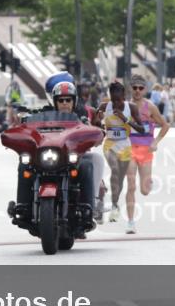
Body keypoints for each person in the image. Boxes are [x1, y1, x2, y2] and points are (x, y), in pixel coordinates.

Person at [12, 79, 102, 238]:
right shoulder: (43, 116)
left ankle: (87, 208)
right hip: (48, 159)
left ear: (74, 102)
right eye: (61, 100)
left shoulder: (81, 119)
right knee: (24, 165)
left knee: (87, 165)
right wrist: (22, 125)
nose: (65, 103)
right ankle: (23, 207)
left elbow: (96, 134)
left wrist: (94, 132)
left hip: (70, 160)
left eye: (68, 100)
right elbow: (28, 129)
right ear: (55, 102)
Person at [98, 81, 145, 234]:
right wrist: (98, 119)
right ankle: (112, 204)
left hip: (125, 146)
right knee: (116, 172)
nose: (116, 103)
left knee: (127, 182)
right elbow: (95, 122)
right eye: (113, 99)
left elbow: (142, 129)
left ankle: (127, 218)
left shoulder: (131, 107)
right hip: (110, 146)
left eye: (118, 100)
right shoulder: (105, 106)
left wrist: (125, 120)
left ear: (124, 97)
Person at [125, 74, 170, 231]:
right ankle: (130, 222)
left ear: (144, 90)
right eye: (134, 88)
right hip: (129, 150)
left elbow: (165, 125)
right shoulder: (125, 107)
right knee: (131, 186)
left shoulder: (150, 107)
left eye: (140, 88)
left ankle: (149, 182)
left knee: (144, 191)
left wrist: (155, 142)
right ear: (130, 88)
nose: (137, 91)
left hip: (146, 151)